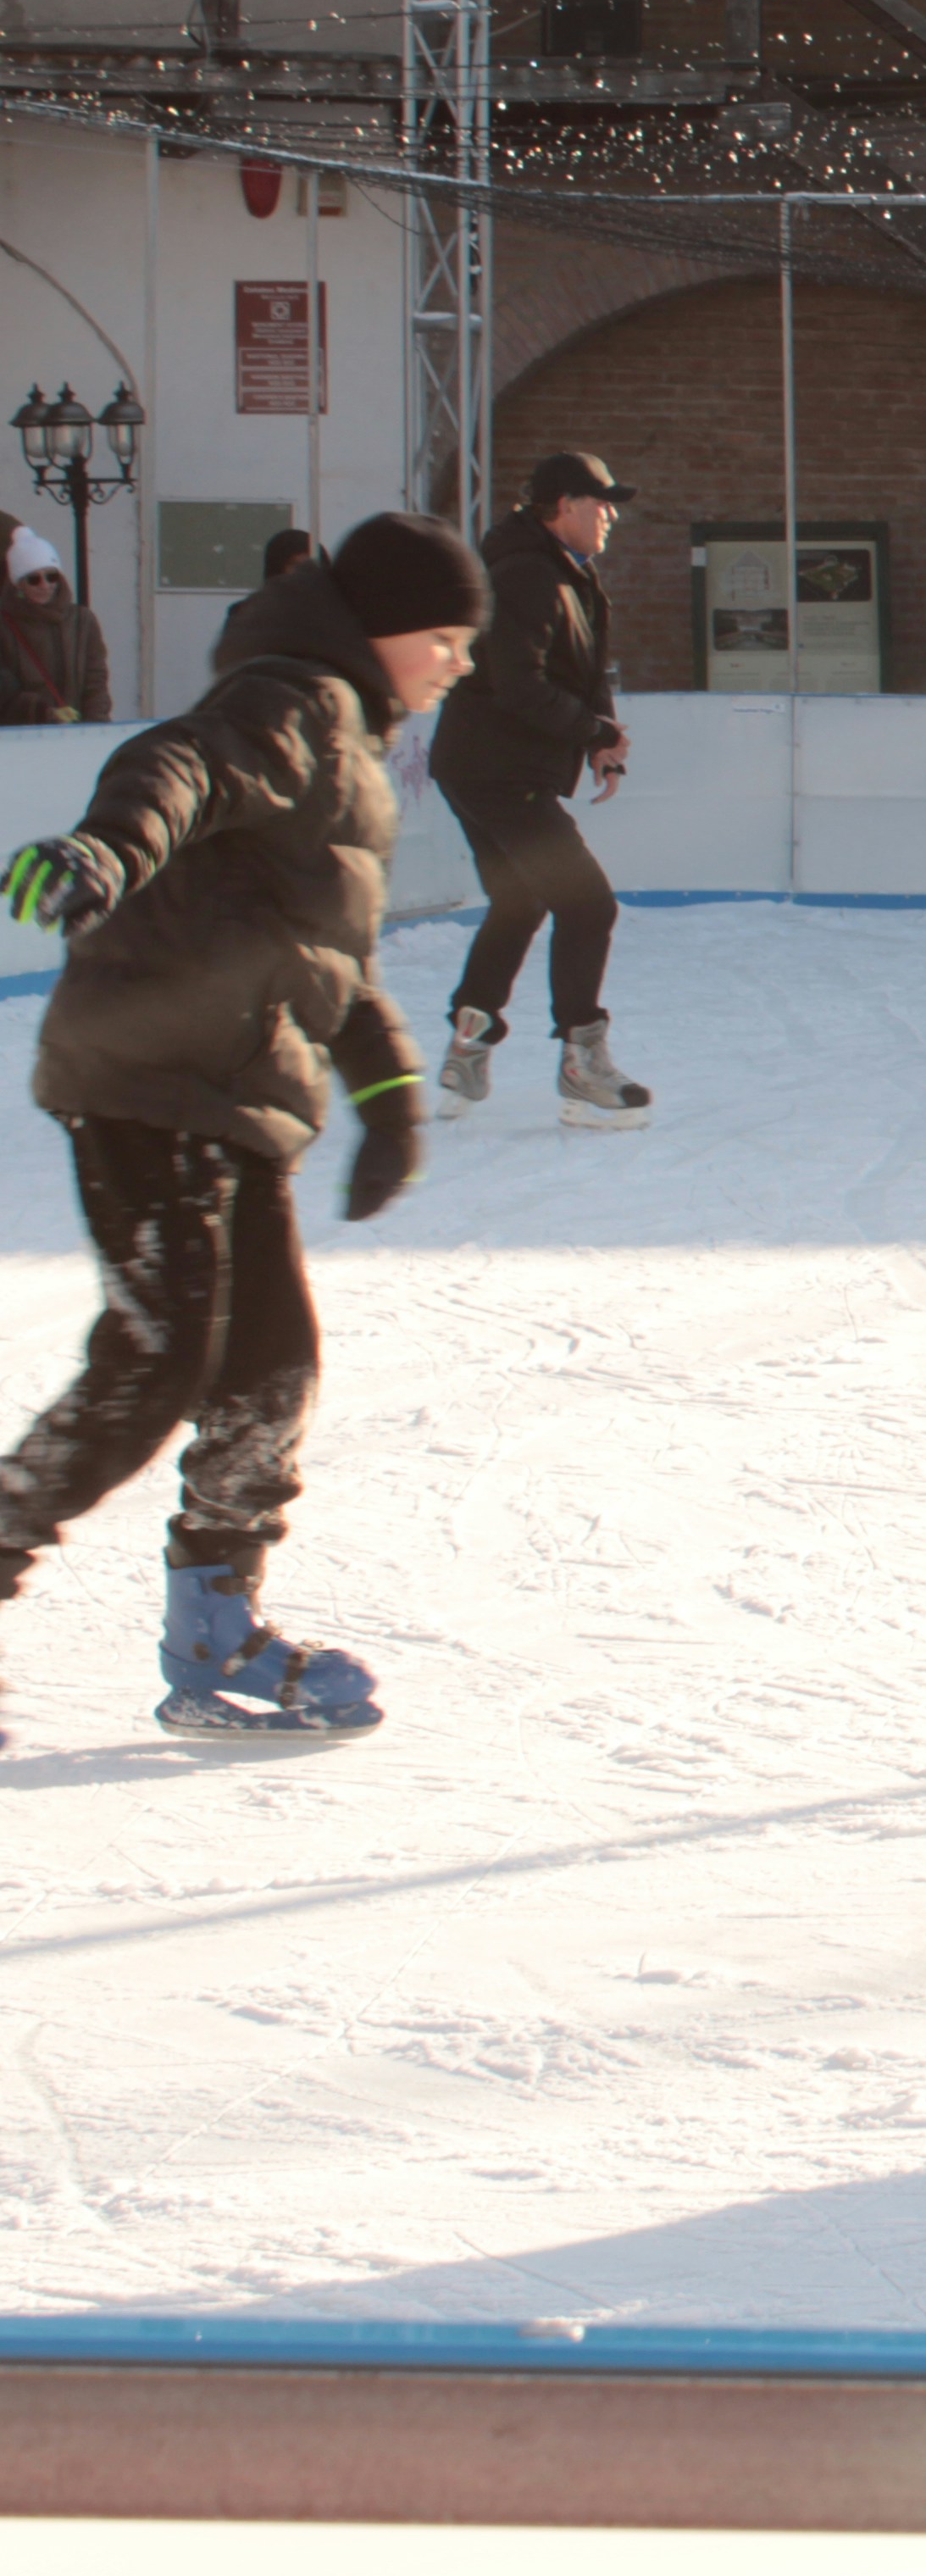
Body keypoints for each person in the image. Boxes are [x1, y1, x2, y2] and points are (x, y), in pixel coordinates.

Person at [0, 514, 490, 1745]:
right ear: (386, 628)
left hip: (233, 1093)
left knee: (270, 1367)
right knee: (160, 1356)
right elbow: (178, 769)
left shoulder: (348, 739)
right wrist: (106, 853)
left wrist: (386, 1096)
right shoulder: (292, 703)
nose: (460, 662)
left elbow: (325, 954)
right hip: (149, 1075)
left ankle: (216, 1627)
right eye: (446, 637)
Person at [430, 452, 648, 1130]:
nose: (610, 516)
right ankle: (583, 1063)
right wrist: (591, 731)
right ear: (563, 506)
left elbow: (583, 669)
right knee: (587, 905)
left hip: (484, 766)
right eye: (600, 502)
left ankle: (468, 1046)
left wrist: (601, 739)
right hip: (499, 770)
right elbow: (519, 684)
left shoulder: (566, 574)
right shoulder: (528, 575)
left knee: (520, 900)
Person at [0, 525, 114, 726]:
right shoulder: (5, 625)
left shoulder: (82, 620)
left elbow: (95, 679)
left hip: (77, 733)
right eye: (34, 579)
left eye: (51, 576)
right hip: (22, 734)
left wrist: (95, 726)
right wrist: (45, 714)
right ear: (19, 584)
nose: (45, 585)